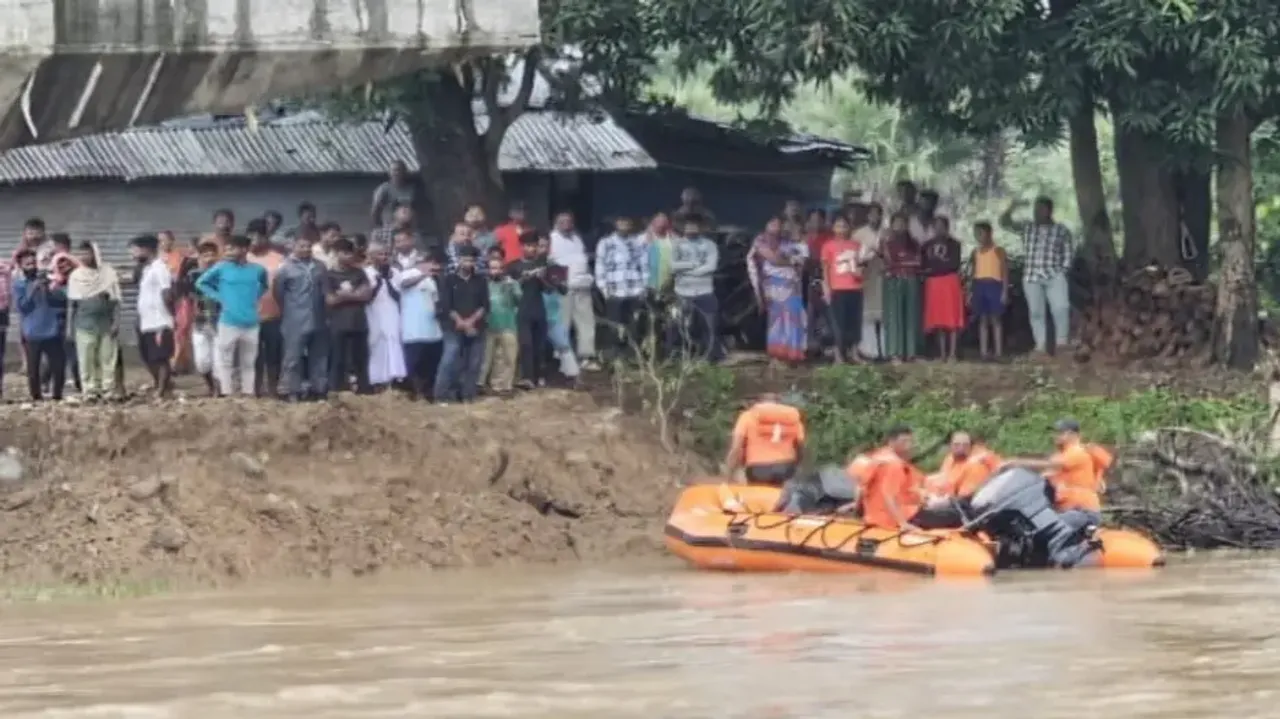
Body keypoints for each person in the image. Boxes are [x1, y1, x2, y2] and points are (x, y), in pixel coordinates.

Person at [845, 425, 960, 530]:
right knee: (955, 515)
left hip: (875, 515)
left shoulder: (878, 457)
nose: (909, 445)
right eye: (904, 441)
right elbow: (889, 495)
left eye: (910, 441)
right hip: (895, 517)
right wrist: (903, 524)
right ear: (892, 442)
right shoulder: (894, 465)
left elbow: (861, 488)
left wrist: (856, 510)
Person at [195, 234, 269, 397]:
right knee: (225, 361)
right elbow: (201, 283)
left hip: (251, 322)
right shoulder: (221, 267)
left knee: (248, 361)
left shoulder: (257, 270)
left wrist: (254, 298)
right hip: (228, 321)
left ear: (244, 250)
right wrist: (219, 297)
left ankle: (248, 392)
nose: (227, 251)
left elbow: (264, 285)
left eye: (232, 248)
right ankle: (227, 394)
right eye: (227, 248)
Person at [1000, 196, 1074, 356]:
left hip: (1054, 275)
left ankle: (1062, 342)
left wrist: (1063, 270)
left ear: (1049, 211)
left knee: (1061, 308)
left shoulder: (1061, 230)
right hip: (1032, 276)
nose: (1036, 212)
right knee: (1036, 312)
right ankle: (1040, 345)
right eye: (1035, 209)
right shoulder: (1027, 227)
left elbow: (1068, 252)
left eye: (1040, 209)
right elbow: (1004, 223)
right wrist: (1012, 206)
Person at [1009, 419, 1110, 533]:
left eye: (1060, 432)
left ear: (1073, 435)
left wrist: (1015, 462)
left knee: (1042, 528)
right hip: (1067, 510)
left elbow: (1049, 464)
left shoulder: (1077, 453)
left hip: (1083, 512)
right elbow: (1043, 475)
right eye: (1055, 432)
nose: (1055, 436)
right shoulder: (1062, 455)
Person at [275, 234, 329, 401]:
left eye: (308, 246)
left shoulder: (320, 266)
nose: (306, 249)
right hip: (294, 318)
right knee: (293, 355)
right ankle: (290, 390)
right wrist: (290, 310)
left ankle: (318, 389)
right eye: (302, 246)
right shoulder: (285, 268)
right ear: (293, 247)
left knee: (319, 354)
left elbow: (325, 291)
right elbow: (278, 293)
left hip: (318, 316)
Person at [748, 216, 808, 365]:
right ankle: (776, 355)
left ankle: (792, 354)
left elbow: (802, 262)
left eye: (779, 224)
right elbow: (773, 259)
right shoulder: (760, 240)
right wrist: (790, 261)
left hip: (792, 285)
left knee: (793, 319)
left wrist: (790, 260)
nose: (776, 227)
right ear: (766, 225)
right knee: (776, 321)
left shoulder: (793, 243)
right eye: (772, 223)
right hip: (772, 285)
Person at [66, 241, 121, 401]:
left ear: (95, 253)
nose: (84, 257)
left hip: (105, 322)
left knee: (107, 358)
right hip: (84, 323)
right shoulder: (76, 276)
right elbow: (72, 305)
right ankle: (90, 391)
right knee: (86, 358)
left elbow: (116, 301)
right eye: (81, 253)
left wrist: (116, 322)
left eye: (87, 253)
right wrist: (70, 328)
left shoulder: (108, 273)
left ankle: (108, 389)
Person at [433, 245, 489, 403]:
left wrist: (471, 322)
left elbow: (484, 306)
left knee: (474, 363)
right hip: (453, 326)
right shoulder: (448, 280)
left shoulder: (480, 280)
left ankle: (468, 396)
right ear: (458, 260)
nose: (468, 263)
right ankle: (441, 395)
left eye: (471, 260)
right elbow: (446, 305)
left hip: (476, 326)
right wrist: (461, 322)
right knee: (450, 359)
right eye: (465, 259)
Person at [12, 248, 67, 401]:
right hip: (32, 331)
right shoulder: (19, 284)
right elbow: (21, 306)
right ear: (21, 265)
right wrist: (33, 289)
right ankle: (36, 397)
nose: (31, 265)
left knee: (58, 366)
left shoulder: (49, 279)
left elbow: (62, 299)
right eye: (27, 263)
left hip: (52, 329)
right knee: (33, 368)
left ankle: (57, 395)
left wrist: (49, 288)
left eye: (32, 262)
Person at [594, 216, 649, 361]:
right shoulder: (606, 243)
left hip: (634, 290)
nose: (625, 225)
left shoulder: (637, 242)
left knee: (633, 326)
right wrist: (604, 289)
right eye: (621, 222)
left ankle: (632, 357)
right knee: (614, 326)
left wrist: (644, 287)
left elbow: (644, 265)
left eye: (628, 222)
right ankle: (614, 358)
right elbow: (600, 266)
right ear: (615, 223)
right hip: (614, 291)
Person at [668, 216, 722, 361]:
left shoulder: (709, 245)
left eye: (695, 226)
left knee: (709, 325)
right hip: (682, 292)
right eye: (688, 226)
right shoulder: (677, 244)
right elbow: (673, 267)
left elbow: (711, 266)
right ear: (683, 228)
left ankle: (711, 356)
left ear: (701, 228)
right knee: (678, 325)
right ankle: (677, 356)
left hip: (705, 291)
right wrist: (694, 264)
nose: (692, 229)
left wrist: (687, 270)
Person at [324, 238, 374, 394]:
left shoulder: (359, 272)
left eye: (350, 253)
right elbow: (330, 300)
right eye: (345, 253)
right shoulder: (329, 275)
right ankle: (336, 391)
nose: (349, 256)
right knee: (338, 360)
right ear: (337, 254)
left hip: (359, 323)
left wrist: (344, 295)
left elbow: (366, 296)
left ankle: (364, 391)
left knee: (361, 360)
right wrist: (353, 294)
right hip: (338, 324)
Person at [507, 231, 556, 389]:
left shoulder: (543, 265)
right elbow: (509, 288)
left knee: (540, 345)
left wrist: (541, 277)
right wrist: (525, 277)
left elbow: (549, 290)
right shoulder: (513, 266)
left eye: (534, 246)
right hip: (521, 309)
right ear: (522, 247)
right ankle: (527, 377)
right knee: (526, 344)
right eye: (529, 246)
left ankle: (540, 376)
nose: (532, 249)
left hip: (538, 308)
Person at [549, 211, 598, 369]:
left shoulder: (577, 238)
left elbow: (582, 260)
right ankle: (562, 357)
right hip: (565, 288)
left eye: (569, 221)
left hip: (583, 287)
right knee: (563, 324)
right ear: (556, 223)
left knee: (586, 323)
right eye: (562, 221)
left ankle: (586, 357)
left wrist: (590, 278)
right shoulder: (552, 239)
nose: (566, 224)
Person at [821, 213, 872, 363]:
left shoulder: (856, 245)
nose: (841, 229)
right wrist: (826, 287)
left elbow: (862, 266)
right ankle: (839, 355)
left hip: (855, 287)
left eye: (844, 225)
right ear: (833, 228)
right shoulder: (828, 246)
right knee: (838, 323)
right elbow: (825, 269)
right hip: (837, 288)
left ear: (850, 227)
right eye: (838, 226)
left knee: (854, 322)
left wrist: (860, 273)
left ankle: (854, 352)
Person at [724, 393, 806, 485]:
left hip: (758, 470)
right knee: (785, 497)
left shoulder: (747, 416)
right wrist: (798, 468)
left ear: (758, 403)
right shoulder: (791, 418)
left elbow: (736, 448)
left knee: (758, 498)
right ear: (779, 404)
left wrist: (729, 476)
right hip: (786, 469)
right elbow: (801, 447)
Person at [131, 234, 176, 397]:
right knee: (147, 356)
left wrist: (171, 316)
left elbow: (167, 292)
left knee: (160, 357)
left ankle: (162, 389)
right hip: (146, 320)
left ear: (146, 249)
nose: (133, 254)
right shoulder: (146, 269)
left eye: (135, 250)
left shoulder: (160, 268)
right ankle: (161, 384)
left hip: (160, 320)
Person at [247, 219, 286, 397]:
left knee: (273, 356)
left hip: (274, 315)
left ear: (265, 237)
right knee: (253, 357)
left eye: (256, 237)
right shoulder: (244, 259)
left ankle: (272, 389)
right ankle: (255, 389)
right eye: (250, 237)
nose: (253, 241)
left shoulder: (278, 259)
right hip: (249, 316)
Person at [396, 253, 444, 399]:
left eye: (437, 265)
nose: (434, 267)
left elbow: (435, 300)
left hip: (433, 332)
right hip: (413, 331)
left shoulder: (433, 280)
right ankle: (412, 394)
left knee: (431, 365)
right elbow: (403, 285)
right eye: (432, 263)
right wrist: (423, 275)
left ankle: (428, 394)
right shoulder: (408, 273)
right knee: (413, 365)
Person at [921, 216, 965, 362]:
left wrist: (936, 267)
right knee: (938, 320)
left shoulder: (955, 244)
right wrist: (935, 268)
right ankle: (942, 353)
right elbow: (924, 265)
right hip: (934, 284)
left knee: (952, 320)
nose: (939, 228)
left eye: (941, 225)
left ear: (947, 227)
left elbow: (954, 264)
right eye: (936, 226)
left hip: (950, 282)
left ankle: (952, 353)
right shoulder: (927, 245)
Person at [364, 242, 407, 391]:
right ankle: (377, 379)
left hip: (391, 310)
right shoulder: (366, 272)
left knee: (393, 340)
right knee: (376, 342)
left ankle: (394, 377)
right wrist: (378, 281)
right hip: (374, 311)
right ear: (371, 256)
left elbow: (398, 296)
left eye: (386, 254)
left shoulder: (394, 272)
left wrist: (387, 280)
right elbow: (368, 297)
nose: (384, 257)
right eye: (380, 254)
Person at [537, 235, 580, 380]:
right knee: (539, 346)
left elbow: (563, 289)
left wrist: (550, 280)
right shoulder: (525, 264)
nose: (541, 249)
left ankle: (572, 374)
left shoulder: (555, 266)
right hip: (534, 309)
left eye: (544, 245)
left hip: (552, 309)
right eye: (539, 245)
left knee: (562, 342)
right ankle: (540, 376)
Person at [880, 212, 922, 362]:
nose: (900, 226)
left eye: (903, 222)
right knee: (894, 316)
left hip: (911, 280)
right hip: (894, 282)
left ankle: (911, 353)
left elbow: (918, 262)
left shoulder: (914, 243)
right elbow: (888, 263)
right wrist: (903, 264)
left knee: (911, 316)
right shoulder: (886, 243)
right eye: (896, 223)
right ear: (891, 225)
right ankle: (894, 353)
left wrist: (901, 264)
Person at [184, 242, 223, 396]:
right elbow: (186, 296)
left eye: (212, 255)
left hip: (221, 322)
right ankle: (210, 385)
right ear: (199, 258)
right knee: (202, 362)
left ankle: (218, 391)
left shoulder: (223, 275)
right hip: (200, 323)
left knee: (219, 361)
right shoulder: (192, 275)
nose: (209, 258)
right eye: (205, 255)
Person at [480, 254, 521, 393]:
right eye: (493, 268)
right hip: (488, 326)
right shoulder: (484, 284)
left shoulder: (512, 283)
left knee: (507, 357)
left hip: (508, 325)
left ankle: (502, 386)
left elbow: (519, 300)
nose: (496, 271)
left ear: (504, 269)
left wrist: (512, 287)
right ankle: (480, 384)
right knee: (485, 358)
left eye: (499, 268)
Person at [969, 221, 1009, 360]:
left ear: (989, 233)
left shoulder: (998, 250)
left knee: (996, 319)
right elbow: (974, 272)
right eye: (976, 233)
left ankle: (998, 352)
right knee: (983, 319)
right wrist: (971, 291)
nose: (978, 236)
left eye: (981, 233)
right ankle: (984, 352)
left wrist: (1004, 291)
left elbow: (1004, 271)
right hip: (980, 285)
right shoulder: (975, 252)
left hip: (995, 285)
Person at [930, 431, 1002, 502]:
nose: (961, 448)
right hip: (950, 498)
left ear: (971, 446)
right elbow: (944, 480)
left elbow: (1004, 466)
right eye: (957, 445)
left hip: (972, 499)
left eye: (965, 445)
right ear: (950, 445)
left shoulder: (982, 456)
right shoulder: (949, 459)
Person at [858, 202, 886, 360]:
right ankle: (869, 350)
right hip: (867, 277)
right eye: (872, 214)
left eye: (878, 214)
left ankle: (885, 350)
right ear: (867, 216)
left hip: (884, 276)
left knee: (884, 316)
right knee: (867, 315)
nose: (876, 217)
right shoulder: (858, 234)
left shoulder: (887, 233)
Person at [371, 160, 416, 228]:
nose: (396, 173)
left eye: (399, 170)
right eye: (394, 170)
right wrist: (379, 227)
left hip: (407, 229)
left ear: (404, 172)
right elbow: (375, 210)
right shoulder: (383, 189)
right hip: (390, 227)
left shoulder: (411, 189)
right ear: (389, 172)